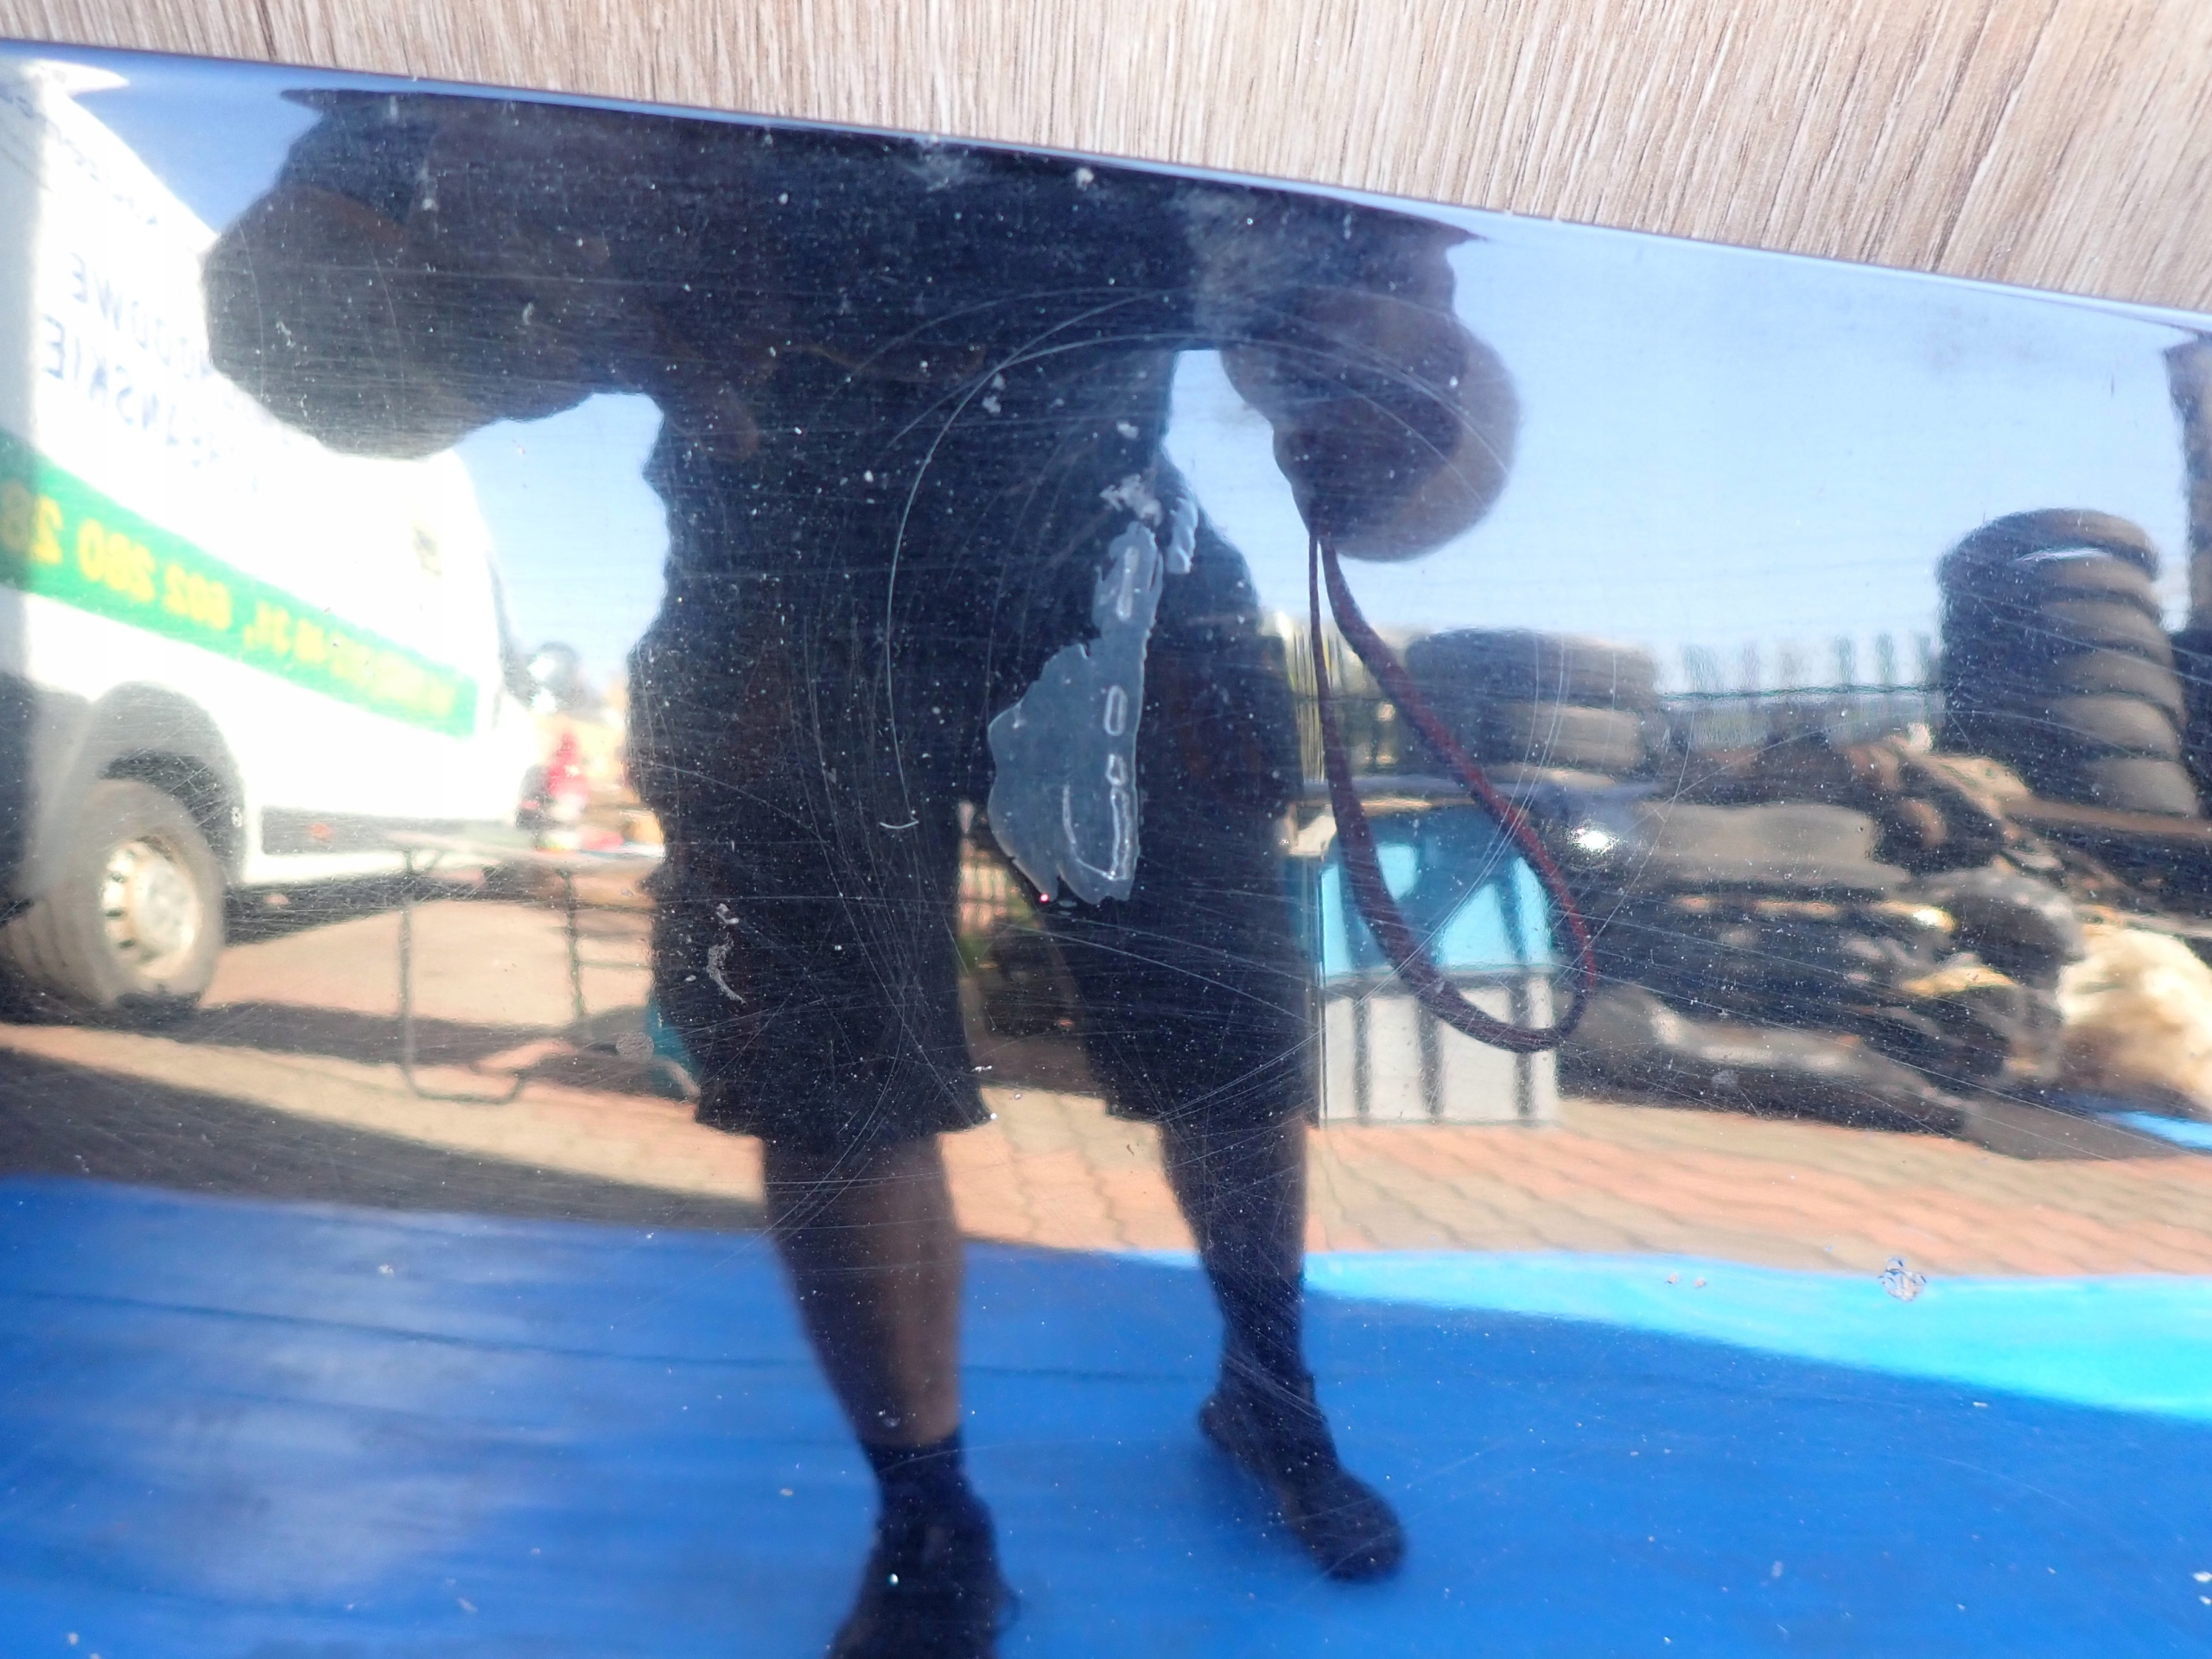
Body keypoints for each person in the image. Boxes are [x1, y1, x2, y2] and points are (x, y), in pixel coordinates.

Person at [206, 92, 1517, 1657]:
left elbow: (1429, 385)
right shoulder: (535, 65)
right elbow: (279, 320)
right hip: (787, 564)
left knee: (1226, 1024)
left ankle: (1268, 1385)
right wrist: (523, 295)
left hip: (1104, 559)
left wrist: (1391, 403)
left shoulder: (1177, 65)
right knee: (829, 1071)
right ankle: (927, 1509)